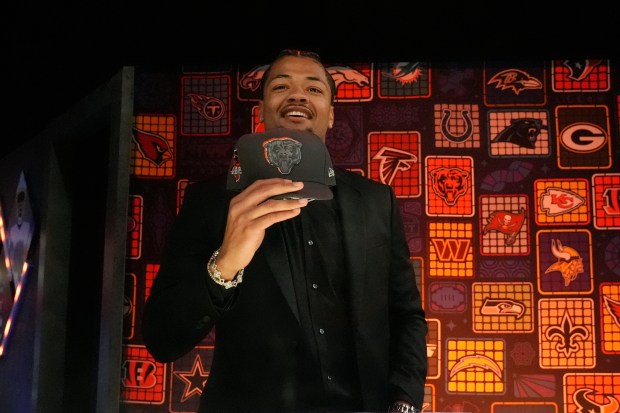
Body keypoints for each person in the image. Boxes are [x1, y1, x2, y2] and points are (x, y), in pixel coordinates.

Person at [142, 49, 428, 413]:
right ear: (261, 109)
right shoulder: (210, 201)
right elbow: (162, 340)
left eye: (314, 88)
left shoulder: (376, 201)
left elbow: (406, 314)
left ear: (331, 113)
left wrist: (404, 401)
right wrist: (225, 264)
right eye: (281, 86)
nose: (297, 95)